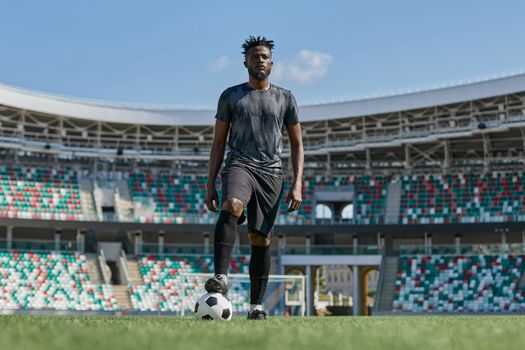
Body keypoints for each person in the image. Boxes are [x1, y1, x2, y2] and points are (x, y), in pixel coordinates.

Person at [204, 35, 304, 320]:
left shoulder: (285, 98)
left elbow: (297, 144)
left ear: (271, 63)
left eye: (264, 56)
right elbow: (218, 144)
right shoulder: (231, 96)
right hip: (239, 164)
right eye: (254, 56)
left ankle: (255, 308)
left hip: (272, 173)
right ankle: (220, 277)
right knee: (233, 204)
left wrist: (297, 184)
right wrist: (210, 184)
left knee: (260, 239)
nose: (259, 59)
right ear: (245, 62)